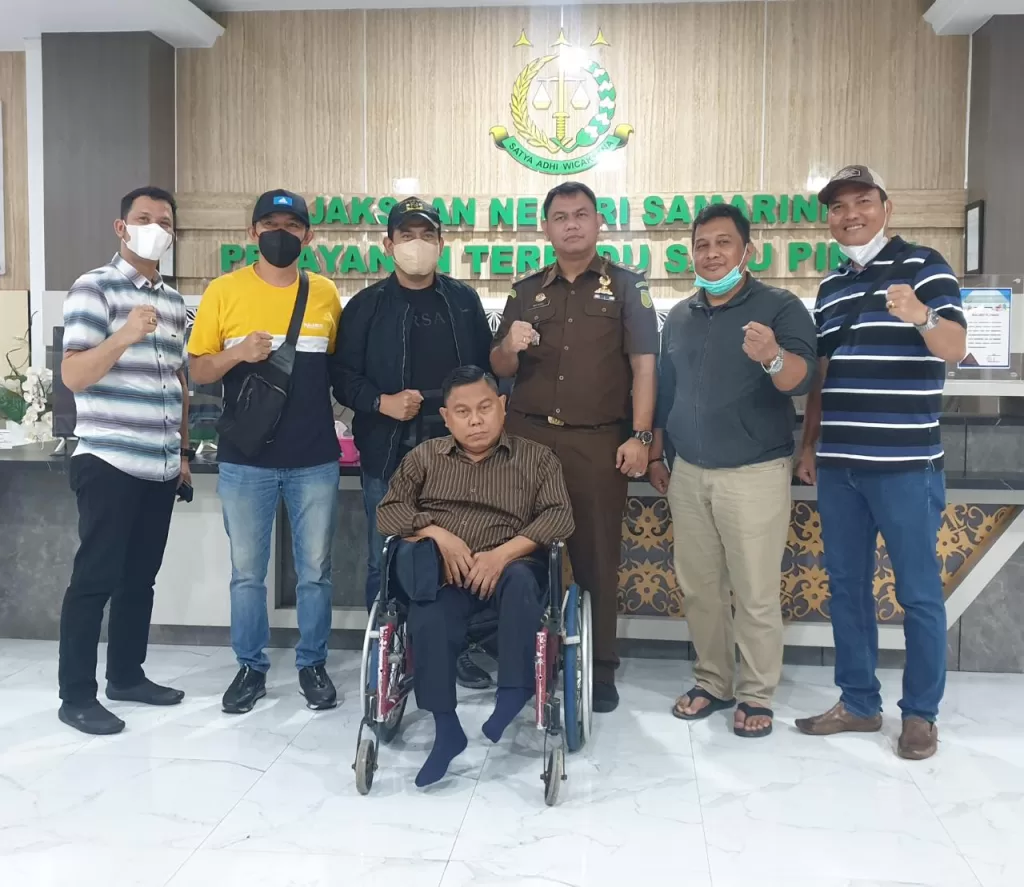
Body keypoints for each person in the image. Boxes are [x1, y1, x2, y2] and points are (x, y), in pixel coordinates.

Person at [794, 166, 967, 760]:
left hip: (906, 465)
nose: (850, 215)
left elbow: (956, 347)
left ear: (885, 208)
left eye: (862, 202)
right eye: (838, 207)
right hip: (840, 466)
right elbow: (823, 374)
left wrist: (921, 315)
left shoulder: (925, 265)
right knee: (847, 588)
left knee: (918, 593)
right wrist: (810, 444)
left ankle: (920, 714)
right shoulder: (831, 286)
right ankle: (859, 702)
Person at [647, 204, 817, 738]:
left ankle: (756, 693)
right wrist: (655, 452)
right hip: (688, 471)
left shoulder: (780, 307)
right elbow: (666, 390)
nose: (712, 253)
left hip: (755, 472)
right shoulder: (680, 315)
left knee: (755, 592)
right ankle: (713, 681)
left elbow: (802, 380)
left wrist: (771, 355)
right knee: (700, 588)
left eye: (724, 243)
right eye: (702, 245)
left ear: (748, 251)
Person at [491, 181, 658, 714]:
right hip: (528, 441)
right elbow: (499, 366)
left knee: (596, 556)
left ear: (598, 223)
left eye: (581, 214)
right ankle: (521, 659)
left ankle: (599, 667)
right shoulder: (525, 291)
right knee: (522, 551)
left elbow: (645, 367)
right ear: (546, 227)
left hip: (598, 442)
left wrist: (641, 435)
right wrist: (509, 346)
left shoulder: (628, 287)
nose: (571, 224)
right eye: (560, 216)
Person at [377, 366, 574, 787]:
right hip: (449, 575)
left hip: (512, 567)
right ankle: (446, 729)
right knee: (426, 611)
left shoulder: (537, 458)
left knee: (522, 581)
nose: (476, 420)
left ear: (502, 407)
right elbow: (388, 512)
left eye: (485, 408)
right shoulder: (425, 457)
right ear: (446, 418)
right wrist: (437, 533)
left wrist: (502, 555)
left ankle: (514, 692)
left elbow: (560, 516)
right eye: (463, 412)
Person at [188, 189, 343, 715]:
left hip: (314, 457)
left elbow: (335, 370)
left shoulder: (324, 293)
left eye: (292, 225)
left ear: (308, 235)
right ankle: (250, 668)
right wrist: (237, 352)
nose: (281, 234)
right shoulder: (223, 291)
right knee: (247, 574)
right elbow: (198, 368)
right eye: (270, 224)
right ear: (251, 233)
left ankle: (313, 664)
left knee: (315, 572)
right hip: (245, 459)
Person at [332, 197, 495, 689]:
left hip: (457, 458)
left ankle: (454, 650)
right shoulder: (366, 306)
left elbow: (486, 373)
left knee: (458, 555)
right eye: (407, 236)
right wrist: (380, 402)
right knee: (384, 556)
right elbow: (342, 377)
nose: (417, 244)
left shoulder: (463, 301)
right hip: (388, 453)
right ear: (389, 245)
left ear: (441, 244)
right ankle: (387, 655)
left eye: (426, 235)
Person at [57, 186, 188, 735]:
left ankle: (127, 677)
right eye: (143, 218)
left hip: (160, 465)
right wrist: (126, 334)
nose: (155, 228)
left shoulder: (175, 302)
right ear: (121, 227)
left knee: (140, 580)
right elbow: (73, 375)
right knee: (95, 579)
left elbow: (177, 382)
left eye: (164, 221)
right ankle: (76, 696)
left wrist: (181, 453)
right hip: (109, 460)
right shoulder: (94, 288)